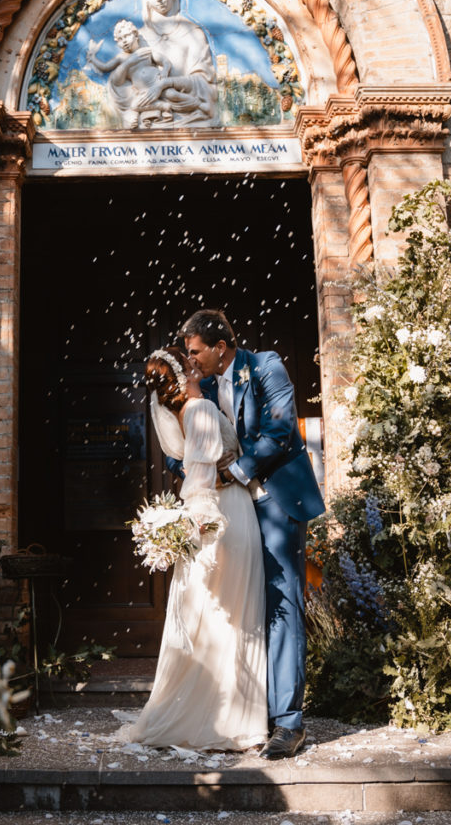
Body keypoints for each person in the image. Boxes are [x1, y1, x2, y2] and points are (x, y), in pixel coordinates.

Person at [178, 310, 326, 760]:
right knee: (243, 603)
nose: (191, 360)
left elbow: (280, 430)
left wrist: (233, 472)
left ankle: (288, 723)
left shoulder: (265, 366)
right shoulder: (199, 388)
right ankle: (249, 711)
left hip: (276, 501)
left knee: (282, 602)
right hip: (233, 511)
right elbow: (197, 445)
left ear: (220, 347)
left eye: (195, 351)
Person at [127, 347, 267, 751]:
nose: (197, 365)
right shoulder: (201, 408)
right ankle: (233, 723)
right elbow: (201, 478)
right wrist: (204, 527)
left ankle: (216, 713)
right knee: (234, 616)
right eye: (189, 362)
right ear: (184, 370)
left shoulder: (179, 414)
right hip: (226, 515)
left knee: (212, 614)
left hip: (209, 515)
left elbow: (188, 466)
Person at [140, 0, 218, 126]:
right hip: (151, 112)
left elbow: (204, 83)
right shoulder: (140, 37)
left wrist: (166, 83)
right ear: (146, 0)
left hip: (191, 114)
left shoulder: (192, 33)